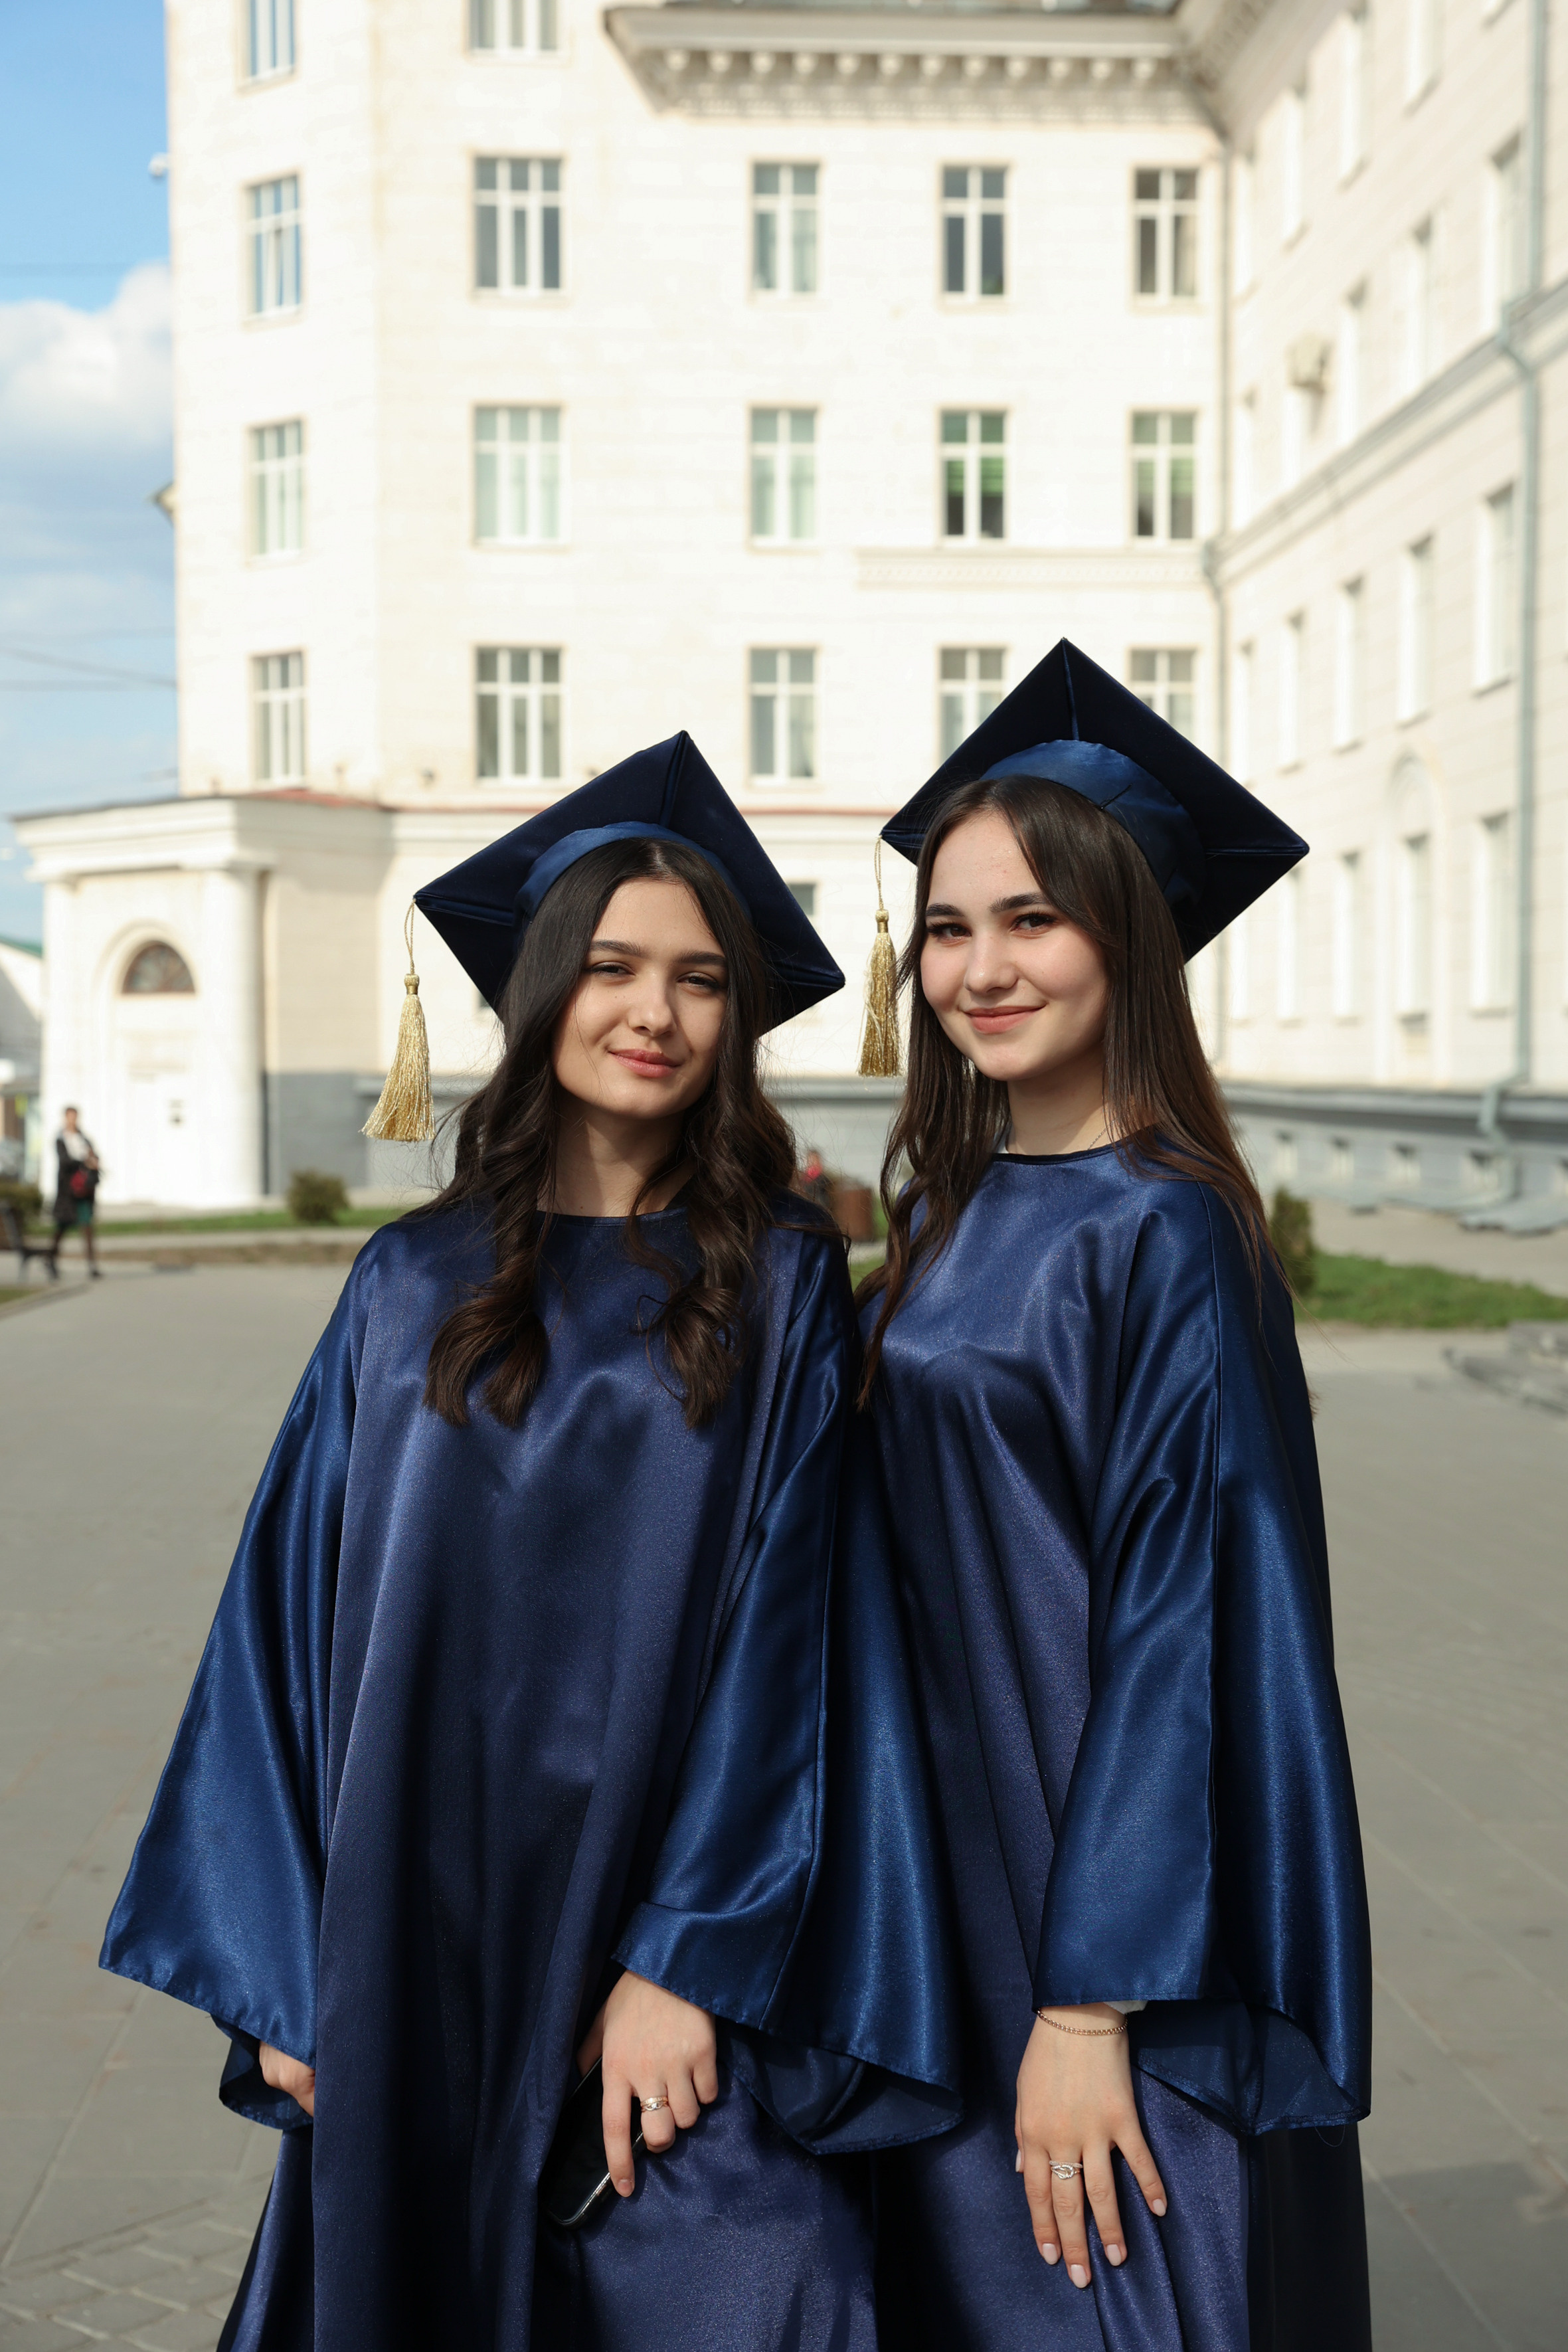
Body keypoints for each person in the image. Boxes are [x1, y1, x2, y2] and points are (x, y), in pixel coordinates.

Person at [100, 736, 957, 2352]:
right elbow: (275, 1629)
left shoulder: (777, 1286)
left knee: (757, 2276)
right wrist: (282, 1969)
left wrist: (688, 1961)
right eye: (617, 966)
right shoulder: (406, 1281)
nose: (657, 1010)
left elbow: (803, 1641)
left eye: (702, 978)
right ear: (543, 987)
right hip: (409, 1920)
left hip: (658, 1910)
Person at [855, 642, 1373, 2352]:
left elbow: (1183, 1631)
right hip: (946, 1884)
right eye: (949, 925)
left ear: (1127, 935)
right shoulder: (950, 1209)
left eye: (1031, 920)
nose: (980, 967)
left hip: (1099, 1931)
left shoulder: (1167, 1230)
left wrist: (1089, 2001)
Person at [54, 1105, 102, 1276]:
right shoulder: (60, 1139)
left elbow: (93, 1155)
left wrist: (93, 1162)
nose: (72, 1120)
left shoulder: (84, 1139)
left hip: (84, 1191)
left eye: (75, 1117)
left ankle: (92, 1265)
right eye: (70, 1117)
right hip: (68, 1192)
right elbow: (65, 1162)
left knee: (87, 1226)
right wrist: (83, 1162)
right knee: (62, 1227)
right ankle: (51, 1259)